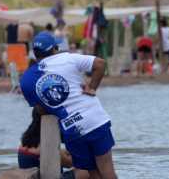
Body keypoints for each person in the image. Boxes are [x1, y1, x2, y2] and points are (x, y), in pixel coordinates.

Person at [20, 32, 116, 179]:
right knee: (107, 170)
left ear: (34, 52)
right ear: (55, 48)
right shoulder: (68, 58)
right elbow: (100, 64)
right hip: (94, 120)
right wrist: (91, 88)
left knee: (93, 173)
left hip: (71, 128)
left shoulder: (26, 79)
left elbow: (40, 109)